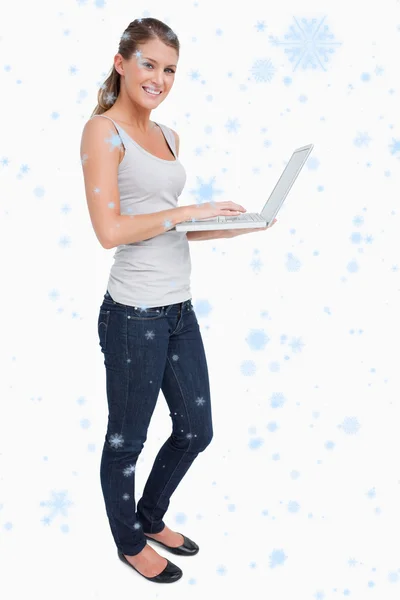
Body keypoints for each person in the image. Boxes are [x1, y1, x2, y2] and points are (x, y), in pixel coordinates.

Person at [80, 17, 276, 584]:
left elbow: (167, 229)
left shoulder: (169, 136)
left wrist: (233, 227)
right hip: (132, 316)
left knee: (196, 429)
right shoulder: (102, 131)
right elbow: (110, 231)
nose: (160, 78)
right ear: (121, 63)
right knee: (127, 440)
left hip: (177, 311)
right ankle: (128, 542)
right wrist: (189, 210)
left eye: (169, 69)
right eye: (149, 64)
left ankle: (149, 516)